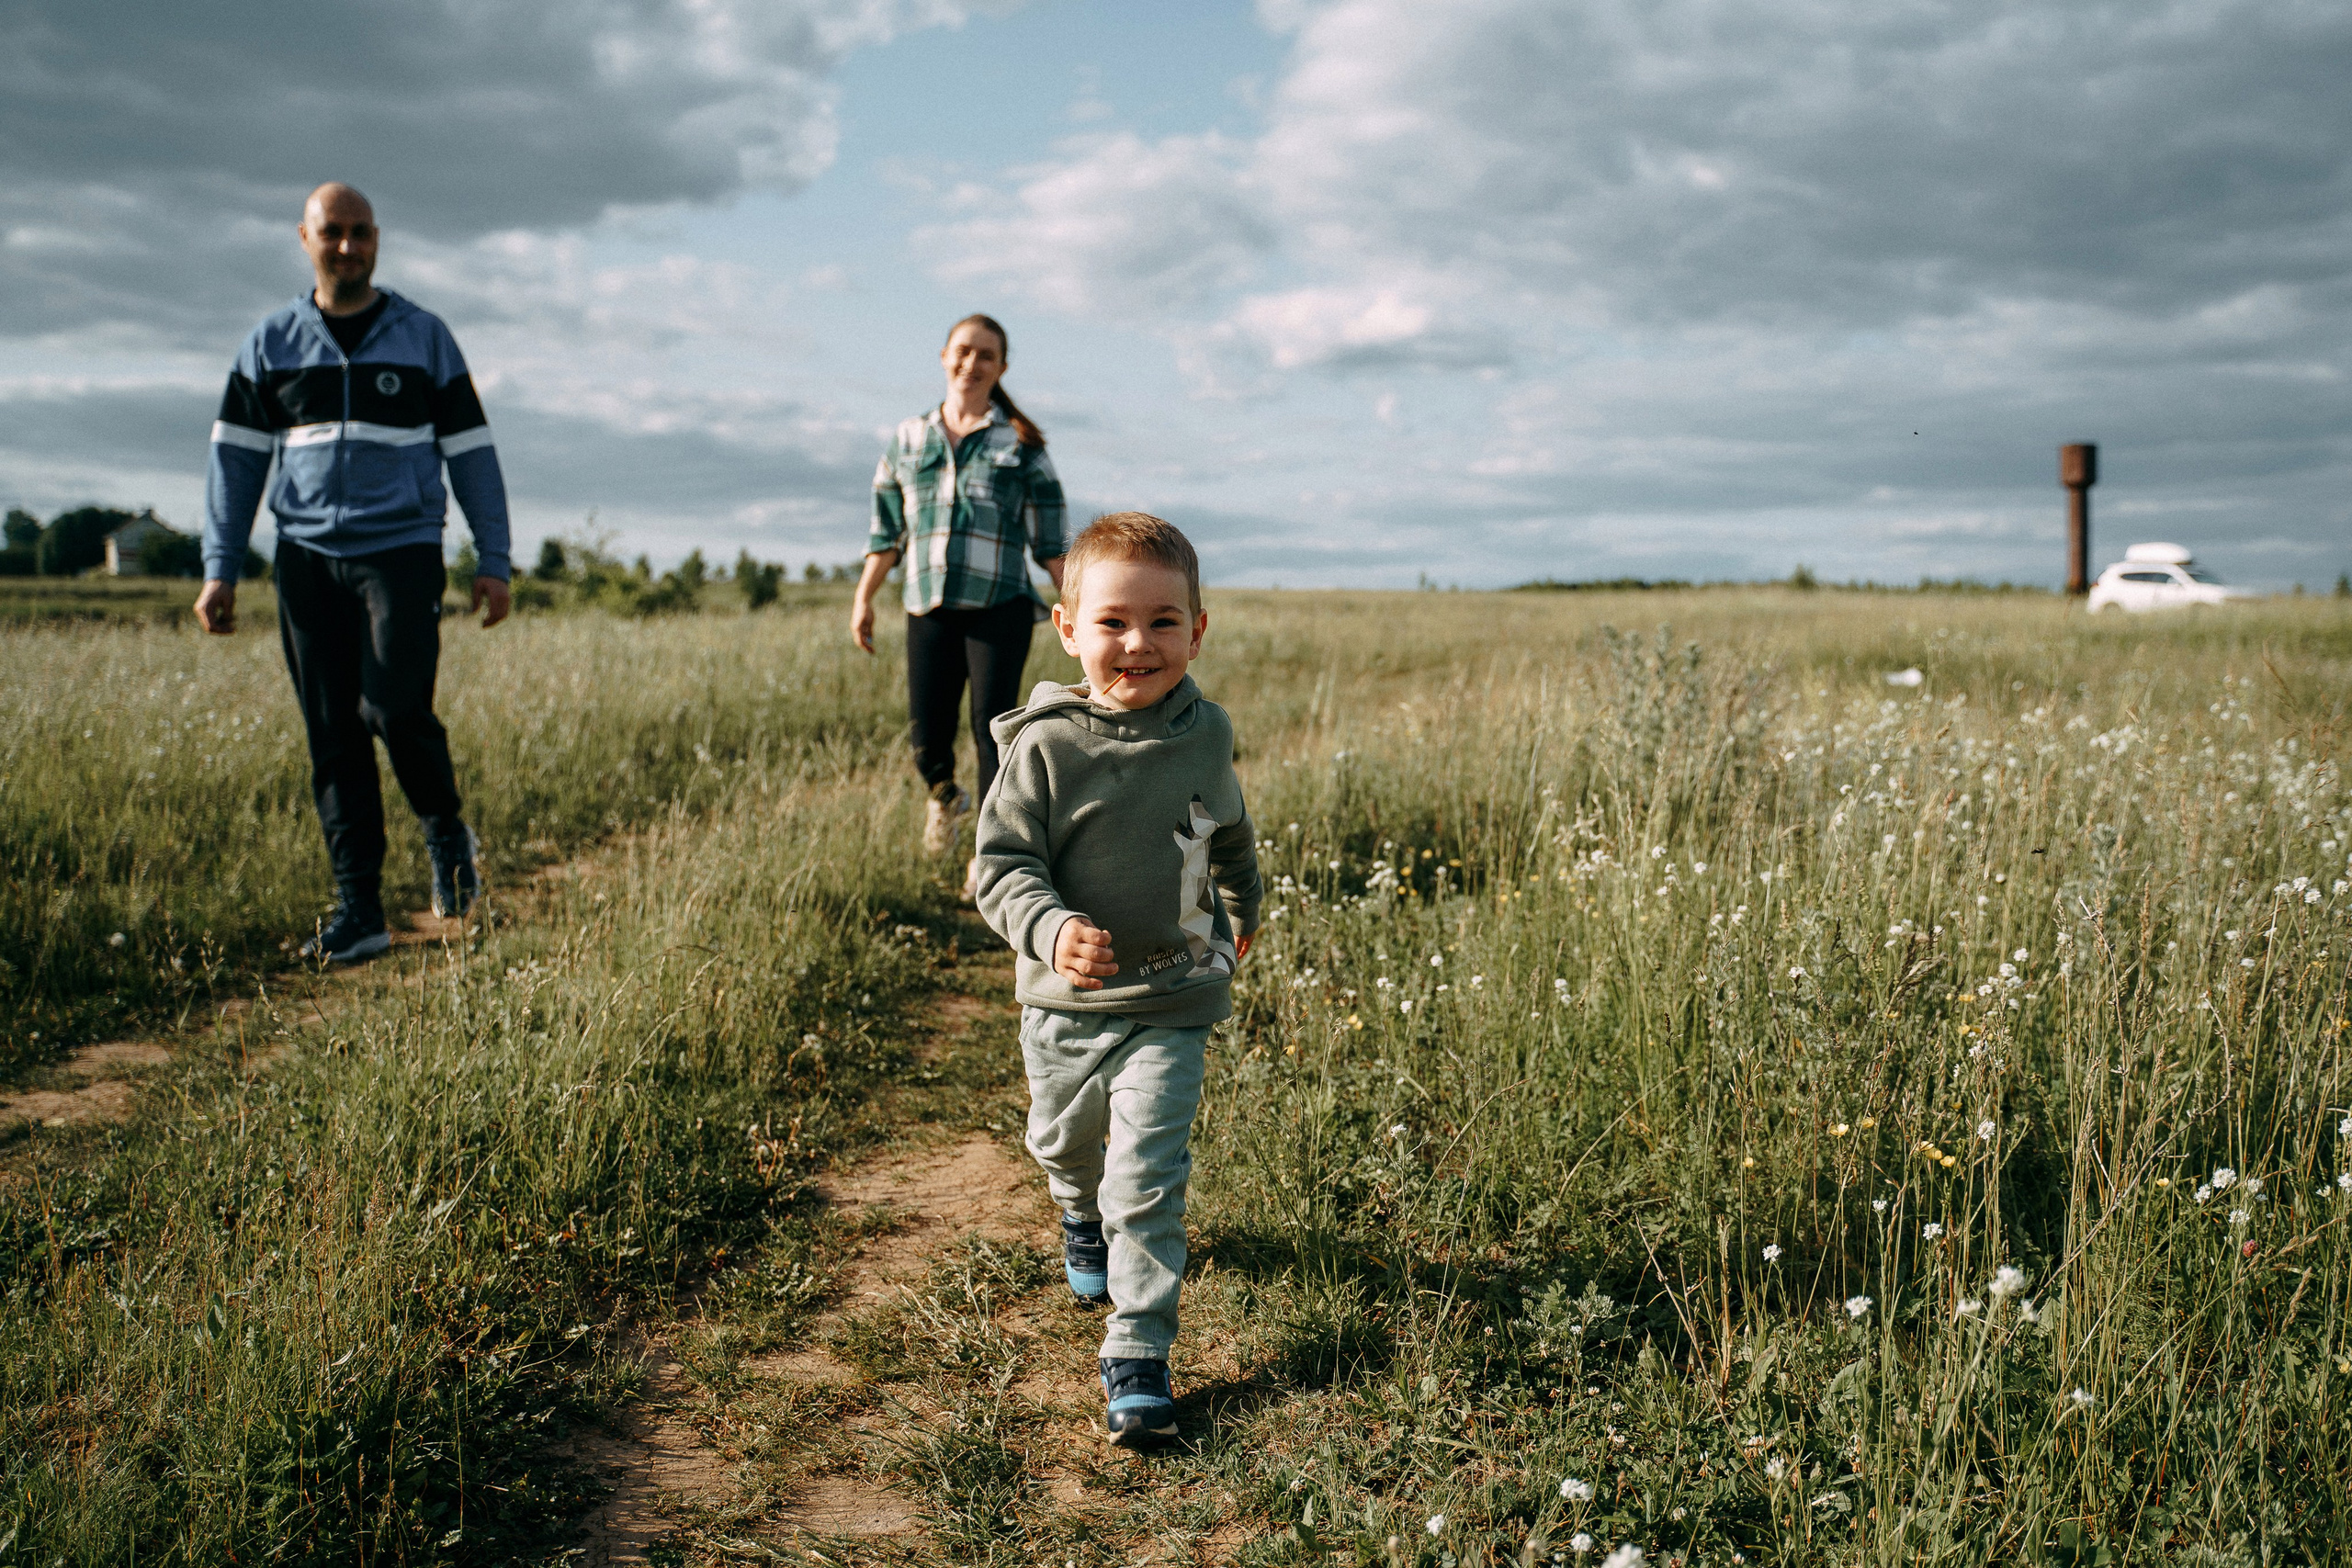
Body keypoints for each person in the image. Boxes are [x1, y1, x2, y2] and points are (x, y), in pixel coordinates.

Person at [971, 512, 1262, 1447]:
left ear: (1197, 630)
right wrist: (1050, 931)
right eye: (1112, 622)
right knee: (1066, 1146)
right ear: (1067, 628)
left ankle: (1137, 1353)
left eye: (1163, 621)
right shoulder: (1045, 746)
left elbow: (1228, 829)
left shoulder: (1204, 731)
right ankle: (1071, 1207)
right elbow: (999, 867)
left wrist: (1244, 905)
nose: (1138, 644)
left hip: (1176, 994)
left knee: (1145, 1179)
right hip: (1067, 1003)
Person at [195, 182, 510, 962]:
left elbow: (472, 455)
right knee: (333, 735)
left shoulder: (424, 337)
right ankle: (359, 909)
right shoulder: (269, 345)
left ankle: (446, 833)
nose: (348, 245)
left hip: (401, 551)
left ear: (377, 239)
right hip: (304, 559)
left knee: (395, 708)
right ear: (304, 238)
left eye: (361, 232)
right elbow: (235, 463)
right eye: (332, 232)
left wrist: (494, 559)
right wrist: (219, 567)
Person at [852, 314, 1068, 877]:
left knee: (992, 732)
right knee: (926, 735)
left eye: (987, 356)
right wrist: (864, 597)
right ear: (944, 354)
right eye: (964, 351)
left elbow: (1051, 542)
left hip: (1000, 608)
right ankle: (945, 802)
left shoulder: (1022, 445)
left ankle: (988, 854)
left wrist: (1083, 611)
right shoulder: (908, 439)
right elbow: (886, 533)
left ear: (1001, 369)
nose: (972, 364)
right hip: (928, 606)